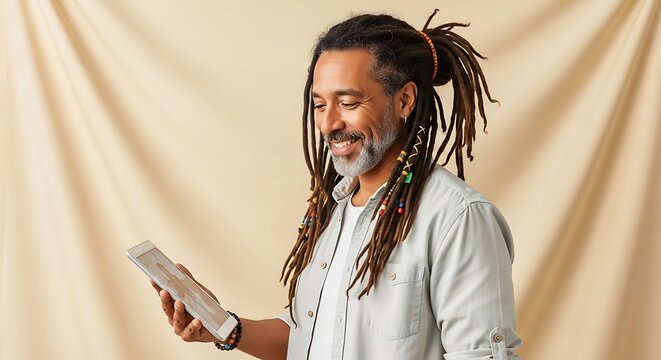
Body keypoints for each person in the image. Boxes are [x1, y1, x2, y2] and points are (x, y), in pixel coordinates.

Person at [151, 10, 522, 360]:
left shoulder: (459, 220)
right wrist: (221, 326)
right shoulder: (331, 212)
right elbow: (308, 338)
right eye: (318, 105)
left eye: (347, 102)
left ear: (404, 100)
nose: (329, 124)